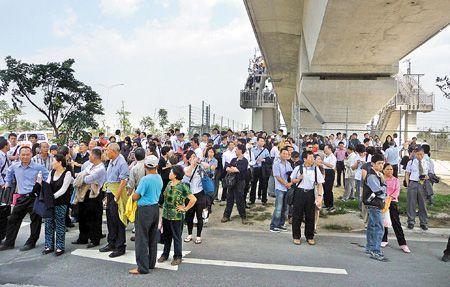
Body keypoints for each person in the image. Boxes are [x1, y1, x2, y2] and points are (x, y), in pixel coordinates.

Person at [0, 146, 49, 251]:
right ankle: (9, 242)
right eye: (23, 155)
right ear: (19, 155)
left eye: (27, 154)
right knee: (13, 219)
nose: (25, 157)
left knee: (35, 221)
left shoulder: (38, 167)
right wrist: (7, 183)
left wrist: (41, 184)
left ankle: (31, 242)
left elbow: (47, 178)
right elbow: (8, 174)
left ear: (31, 155)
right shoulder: (15, 166)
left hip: (34, 197)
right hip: (21, 198)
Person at [129, 155, 162, 275]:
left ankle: (142, 267)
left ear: (145, 166)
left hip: (144, 209)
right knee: (152, 237)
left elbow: (136, 196)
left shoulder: (145, 179)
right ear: (157, 166)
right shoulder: (159, 177)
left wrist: (132, 195)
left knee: (141, 238)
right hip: (155, 208)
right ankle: (151, 263)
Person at [158, 166, 197, 266]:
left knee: (176, 237)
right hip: (166, 214)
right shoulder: (169, 183)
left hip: (177, 216)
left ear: (175, 175)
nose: (169, 173)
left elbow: (193, 199)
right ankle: (165, 254)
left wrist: (185, 208)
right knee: (166, 236)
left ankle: (177, 256)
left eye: (171, 172)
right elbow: (165, 200)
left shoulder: (183, 186)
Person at [100, 143, 129, 258]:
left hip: (117, 195)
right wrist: (107, 196)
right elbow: (110, 180)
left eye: (107, 150)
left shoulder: (121, 162)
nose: (106, 152)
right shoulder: (112, 161)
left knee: (118, 220)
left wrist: (116, 197)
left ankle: (120, 246)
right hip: (110, 193)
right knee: (110, 219)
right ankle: (111, 242)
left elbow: (123, 181)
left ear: (113, 151)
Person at [72, 148, 106, 248]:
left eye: (90, 155)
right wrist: (81, 175)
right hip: (84, 194)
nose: (89, 156)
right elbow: (82, 174)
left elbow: (86, 179)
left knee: (93, 218)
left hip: (94, 195)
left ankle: (95, 239)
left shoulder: (100, 169)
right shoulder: (91, 165)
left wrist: (81, 176)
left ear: (95, 156)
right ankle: (83, 238)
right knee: (82, 216)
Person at [290, 151, 324, 245]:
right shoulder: (298, 168)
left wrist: (320, 196)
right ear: (304, 159)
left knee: (310, 216)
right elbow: (292, 180)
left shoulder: (316, 169)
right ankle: (296, 236)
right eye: (311, 157)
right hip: (299, 193)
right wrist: (298, 179)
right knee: (297, 216)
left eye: (313, 157)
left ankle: (310, 236)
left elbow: (320, 183)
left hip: (310, 193)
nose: (313, 159)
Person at [43, 154, 73, 256]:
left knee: (60, 224)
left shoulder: (67, 173)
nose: (52, 163)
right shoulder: (51, 172)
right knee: (48, 224)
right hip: (50, 203)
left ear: (59, 162)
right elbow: (47, 185)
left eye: (53, 161)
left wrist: (51, 198)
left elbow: (63, 190)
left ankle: (60, 247)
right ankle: (49, 246)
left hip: (61, 203)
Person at [363, 153, 388, 262]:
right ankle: (375, 250)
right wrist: (384, 188)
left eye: (382, 163)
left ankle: (369, 247)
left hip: (374, 203)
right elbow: (378, 191)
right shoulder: (372, 175)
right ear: (373, 164)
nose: (381, 165)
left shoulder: (377, 174)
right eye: (379, 163)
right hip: (374, 203)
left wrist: (383, 188)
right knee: (379, 227)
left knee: (372, 226)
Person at [380, 163, 410, 253]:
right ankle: (384, 240)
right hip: (382, 202)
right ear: (383, 170)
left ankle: (403, 244)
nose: (390, 171)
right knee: (384, 221)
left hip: (392, 202)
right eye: (388, 169)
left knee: (396, 223)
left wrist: (389, 198)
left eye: (391, 169)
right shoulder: (381, 179)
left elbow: (396, 191)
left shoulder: (396, 180)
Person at [221, 144, 249, 224]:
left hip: (240, 182)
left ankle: (243, 217)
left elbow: (237, 170)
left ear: (240, 150)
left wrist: (232, 169)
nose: (235, 151)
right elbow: (228, 168)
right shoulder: (233, 159)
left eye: (236, 149)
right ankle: (226, 215)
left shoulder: (244, 161)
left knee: (240, 200)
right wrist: (232, 168)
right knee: (229, 199)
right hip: (231, 182)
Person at [183, 151, 206, 244]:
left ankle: (199, 235)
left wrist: (199, 162)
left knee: (199, 215)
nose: (194, 158)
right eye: (192, 157)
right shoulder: (186, 168)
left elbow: (207, 165)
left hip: (200, 193)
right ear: (189, 159)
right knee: (189, 215)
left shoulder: (200, 167)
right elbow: (188, 174)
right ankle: (189, 234)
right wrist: (192, 164)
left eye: (195, 156)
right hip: (190, 194)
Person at [405, 146, 429, 230]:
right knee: (411, 203)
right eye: (418, 154)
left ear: (424, 154)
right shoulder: (411, 162)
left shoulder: (426, 162)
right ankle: (411, 221)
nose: (420, 156)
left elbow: (429, 174)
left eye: (421, 154)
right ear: (415, 154)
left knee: (422, 204)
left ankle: (424, 222)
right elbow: (407, 173)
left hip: (422, 184)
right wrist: (408, 184)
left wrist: (426, 177)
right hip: (413, 183)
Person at [269, 147, 292, 232]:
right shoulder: (276, 164)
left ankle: (281, 224)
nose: (285, 155)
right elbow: (277, 176)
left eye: (287, 154)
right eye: (284, 153)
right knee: (278, 208)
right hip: (280, 188)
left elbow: (291, 175)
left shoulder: (288, 164)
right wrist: (286, 184)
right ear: (280, 154)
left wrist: (290, 184)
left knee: (285, 208)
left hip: (287, 189)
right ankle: (273, 225)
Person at [249, 137, 270, 205]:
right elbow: (250, 159)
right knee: (253, 184)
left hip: (263, 168)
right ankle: (252, 200)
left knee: (264, 184)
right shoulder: (252, 150)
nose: (262, 142)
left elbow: (269, 160)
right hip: (255, 168)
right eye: (261, 141)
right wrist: (255, 161)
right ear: (257, 142)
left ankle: (264, 200)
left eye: (263, 141)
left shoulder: (265, 150)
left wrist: (263, 160)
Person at [0, 137, 11, 244]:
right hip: (2, 185)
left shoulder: (5, 155)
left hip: (5, 184)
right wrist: (2, 183)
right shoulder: (0, 156)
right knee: (2, 209)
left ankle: (3, 233)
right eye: (8, 143)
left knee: (5, 208)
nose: (9, 145)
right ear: (5, 145)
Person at [322, 144, 336, 211]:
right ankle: (326, 203)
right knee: (324, 189)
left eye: (326, 149)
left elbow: (331, 165)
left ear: (330, 149)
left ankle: (331, 205)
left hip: (330, 173)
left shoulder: (333, 157)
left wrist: (323, 162)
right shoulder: (326, 156)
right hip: (325, 172)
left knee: (329, 189)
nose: (325, 150)